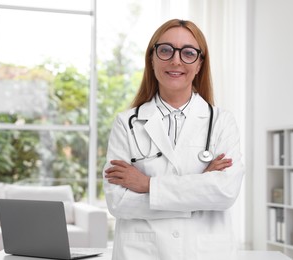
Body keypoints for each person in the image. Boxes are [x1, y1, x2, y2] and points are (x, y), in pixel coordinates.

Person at [103, 19, 244, 260]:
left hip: (205, 252)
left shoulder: (221, 121)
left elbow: (224, 193)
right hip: (141, 253)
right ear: (152, 58)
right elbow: (118, 202)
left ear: (199, 64)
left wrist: (147, 185)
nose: (176, 60)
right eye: (166, 50)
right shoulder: (126, 123)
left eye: (188, 53)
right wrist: (199, 188)